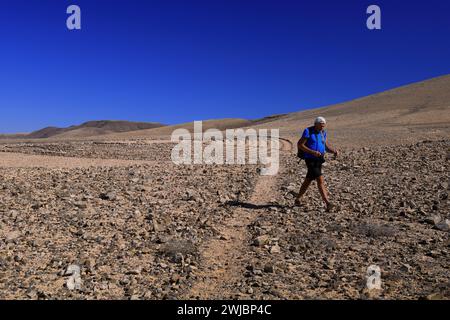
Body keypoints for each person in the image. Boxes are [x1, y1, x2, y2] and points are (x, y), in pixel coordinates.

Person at [295, 116, 338, 212]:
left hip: (319, 159)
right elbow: (300, 145)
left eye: (324, 125)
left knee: (308, 179)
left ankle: (298, 198)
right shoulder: (308, 131)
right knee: (320, 179)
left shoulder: (323, 133)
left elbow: (325, 146)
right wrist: (312, 152)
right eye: (321, 125)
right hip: (310, 159)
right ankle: (328, 203)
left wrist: (334, 151)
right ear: (316, 124)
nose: (322, 127)